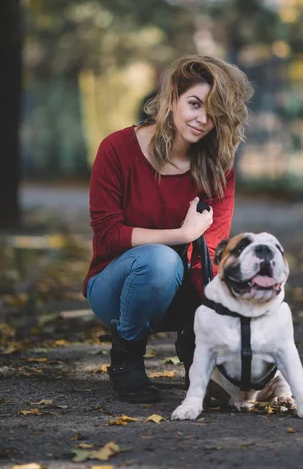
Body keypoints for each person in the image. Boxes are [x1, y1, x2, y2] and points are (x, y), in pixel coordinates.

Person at [82, 54, 254, 403]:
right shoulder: (116, 149)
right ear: (173, 97)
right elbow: (108, 235)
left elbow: (210, 252)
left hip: (180, 295)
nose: (202, 119)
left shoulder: (218, 168)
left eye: (214, 112)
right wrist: (181, 235)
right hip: (114, 287)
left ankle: (191, 347)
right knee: (161, 260)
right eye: (194, 104)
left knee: (198, 272)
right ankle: (126, 357)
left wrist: (204, 332)